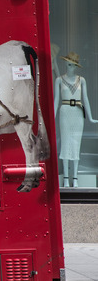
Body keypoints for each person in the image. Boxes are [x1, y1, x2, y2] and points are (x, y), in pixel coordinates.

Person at [54, 52, 98, 187]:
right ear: (65, 64)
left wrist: (90, 117)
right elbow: (56, 100)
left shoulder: (81, 80)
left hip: (78, 113)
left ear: (76, 66)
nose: (70, 68)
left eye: (73, 65)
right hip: (65, 112)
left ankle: (75, 178)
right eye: (68, 65)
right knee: (66, 143)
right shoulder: (59, 80)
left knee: (76, 144)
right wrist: (52, 117)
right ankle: (66, 178)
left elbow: (85, 99)